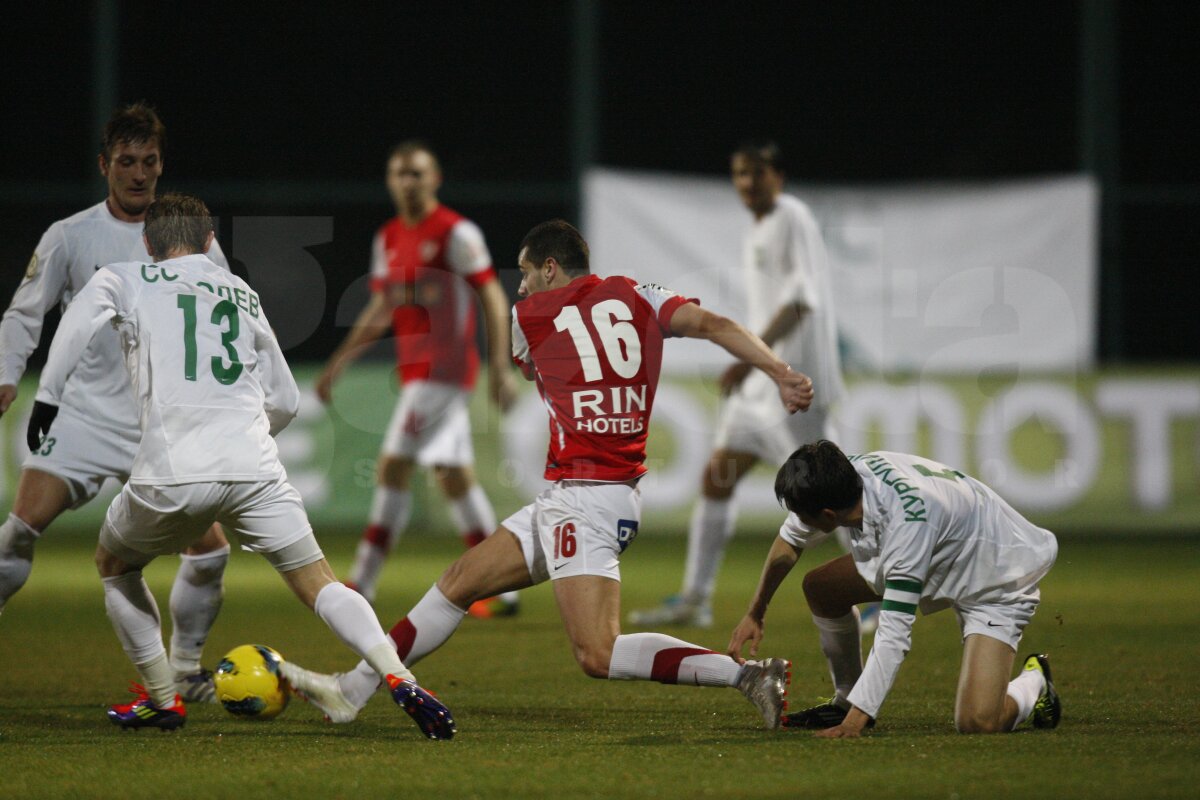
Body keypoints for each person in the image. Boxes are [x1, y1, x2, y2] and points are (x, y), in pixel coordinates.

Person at [281, 220, 813, 729]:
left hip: (586, 500)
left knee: (597, 653)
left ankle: (745, 675)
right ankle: (353, 690)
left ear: (551, 267)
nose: (523, 283)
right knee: (456, 585)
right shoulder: (640, 295)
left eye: (528, 271)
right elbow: (714, 325)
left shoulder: (529, 317)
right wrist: (781, 373)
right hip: (589, 495)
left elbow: (530, 364)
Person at [27, 194, 454, 739]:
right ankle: (398, 677)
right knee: (320, 583)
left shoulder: (122, 276)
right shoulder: (240, 291)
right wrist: (245, 438)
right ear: (208, 242)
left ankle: (164, 698)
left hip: (171, 472)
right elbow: (286, 399)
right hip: (255, 469)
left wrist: (48, 397)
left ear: (147, 243)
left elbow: (75, 327)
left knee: (115, 566)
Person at [0, 103, 230, 701]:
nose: (138, 174)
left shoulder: (191, 239)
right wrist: (5, 373)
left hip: (160, 424)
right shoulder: (70, 236)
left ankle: (184, 668)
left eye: (148, 162)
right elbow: (25, 315)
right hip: (80, 416)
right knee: (18, 533)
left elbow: (224, 314)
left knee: (208, 555)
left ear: (161, 166)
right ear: (105, 165)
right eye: (126, 162)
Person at [630, 140, 855, 631]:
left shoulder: (791, 216)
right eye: (739, 174)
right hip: (765, 386)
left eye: (755, 173)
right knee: (717, 477)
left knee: (829, 493)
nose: (746, 184)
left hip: (794, 383)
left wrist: (754, 363)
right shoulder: (762, 226)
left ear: (778, 175)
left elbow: (801, 301)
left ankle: (878, 584)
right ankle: (696, 598)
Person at [727, 440, 1062, 736]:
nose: (798, 520)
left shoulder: (907, 525)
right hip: (941, 551)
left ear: (828, 516)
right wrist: (756, 612)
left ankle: (1034, 682)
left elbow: (894, 633)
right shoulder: (845, 477)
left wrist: (856, 723)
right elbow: (789, 544)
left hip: (996, 574)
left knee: (978, 722)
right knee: (822, 588)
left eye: (802, 513)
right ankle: (845, 699)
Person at [315, 140, 519, 616]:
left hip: (444, 371)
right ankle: (503, 588)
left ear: (435, 179)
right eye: (399, 174)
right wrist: (338, 362)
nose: (408, 183)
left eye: (417, 174)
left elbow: (491, 295)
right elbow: (382, 307)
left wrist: (500, 366)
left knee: (392, 468)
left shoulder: (455, 232)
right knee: (454, 479)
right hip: (417, 373)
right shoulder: (388, 237)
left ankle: (362, 581)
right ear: (389, 181)